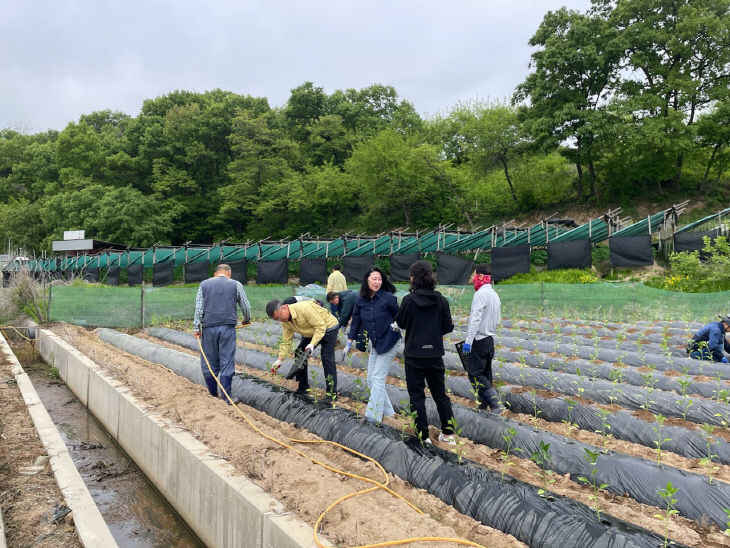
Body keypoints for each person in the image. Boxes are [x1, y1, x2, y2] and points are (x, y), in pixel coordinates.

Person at [395, 260, 456, 445]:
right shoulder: (441, 300)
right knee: (440, 394)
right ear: (431, 276)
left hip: (414, 355)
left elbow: (401, 323)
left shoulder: (408, 300)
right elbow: (447, 327)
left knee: (417, 396)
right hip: (435, 355)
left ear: (413, 278)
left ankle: (423, 435)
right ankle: (448, 434)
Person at [347, 267, 400, 423]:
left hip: (390, 340)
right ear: (367, 280)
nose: (377, 282)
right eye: (374, 279)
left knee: (377, 378)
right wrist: (349, 341)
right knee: (370, 379)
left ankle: (372, 417)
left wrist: (398, 324)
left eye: (380, 279)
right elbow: (356, 320)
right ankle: (389, 413)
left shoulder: (388, 297)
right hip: (375, 342)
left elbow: (400, 314)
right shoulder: (360, 299)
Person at [193, 264, 251, 400]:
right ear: (228, 273)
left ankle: (213, 395)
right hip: (227, 328)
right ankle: (226, 397)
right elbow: (245, 305)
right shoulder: (235, 284)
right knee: (226, 360)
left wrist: (196, 327)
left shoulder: (204, 284)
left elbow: (198, 307)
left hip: (208, 328)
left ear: (215, 274)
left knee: (209, 360)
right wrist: (247, 319)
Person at [267, 299, 340, 397]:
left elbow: (320, 326)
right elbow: (287, 341)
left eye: (279, 316)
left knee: (326, 357)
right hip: (312, 331)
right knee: (299, 352)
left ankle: (331, 393)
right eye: (277, 319)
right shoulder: (285, 321)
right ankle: (303, 386)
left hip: (328, 327)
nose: (280, 320)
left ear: (284, 307)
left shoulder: (304, 309)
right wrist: (279, 360)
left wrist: (312, 344)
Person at [461, 264, 506, 413]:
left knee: (475, 373)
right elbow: (498, 319)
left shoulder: (479, 294)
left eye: (474, 275)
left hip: (479, 340)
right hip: (489, 339)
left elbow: (475, 319)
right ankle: (482, 405)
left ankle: (496, 404)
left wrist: (468, 341)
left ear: (480, 276)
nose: (473, 279)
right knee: (485, 373)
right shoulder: (494, 294)